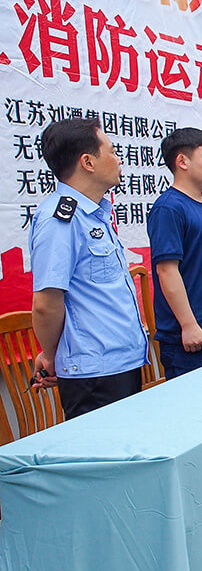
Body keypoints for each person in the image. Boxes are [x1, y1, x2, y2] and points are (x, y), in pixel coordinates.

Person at [28, 118, 147, 418]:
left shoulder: (95, 214)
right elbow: (46, 303)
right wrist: (53, 356)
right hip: (94, 375)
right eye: (112, 151)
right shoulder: (60, 219)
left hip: (121, 364)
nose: (119, 159)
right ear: (88, 162)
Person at [148, 127, 202, 379]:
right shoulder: (169, 208)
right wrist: (188, 325)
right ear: (182, 161)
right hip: (192, 337)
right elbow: (167, 271)